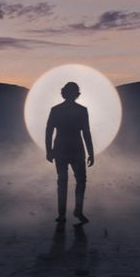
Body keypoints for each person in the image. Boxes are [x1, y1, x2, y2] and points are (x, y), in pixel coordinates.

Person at [45, 82, 94, 224]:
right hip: (74, 149)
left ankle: (66, 214)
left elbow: (49, 132)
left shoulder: (56, 110)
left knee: (64, 182)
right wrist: (91, 152)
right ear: (75, 94)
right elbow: (86, 133)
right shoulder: (81, 110)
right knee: (77, 181)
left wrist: (49, 150)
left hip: (63, 149)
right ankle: (74, 212)